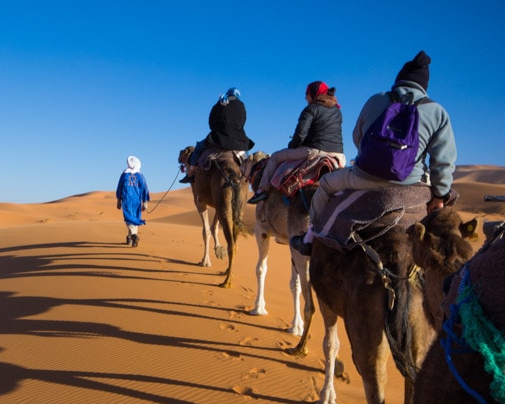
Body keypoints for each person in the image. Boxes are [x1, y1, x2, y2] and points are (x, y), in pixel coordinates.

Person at [290, 51, 456, 256]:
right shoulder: (438, 112)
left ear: (399, 80)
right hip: (411, 184)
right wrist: (439, 196)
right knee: (448, 209)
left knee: (325, 185)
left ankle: (311, 237)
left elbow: (357, 137)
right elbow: (443, 163)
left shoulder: (376, 99)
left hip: (365, 177)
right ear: (424, 86)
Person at [248, 81, 346, 204]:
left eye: (307, 93)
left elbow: (300, 135)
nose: (305, 97)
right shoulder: (337, 112)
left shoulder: (311, 109)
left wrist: (292, 146)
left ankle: (261, 191)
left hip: (315, 151)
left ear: (314, 94)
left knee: (275, 157)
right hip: (339, 156)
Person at [180, 87, 254, 183]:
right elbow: (243, 122)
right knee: (246, 159)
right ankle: (250, 177)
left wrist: (218, 129)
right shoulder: (242, 105)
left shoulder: (220, 102)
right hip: (238, 141)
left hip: (219, 138)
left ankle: (191, 173)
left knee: (198, 148)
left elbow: (211, 122)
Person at [116, 155, 151, 247]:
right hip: (137, 201)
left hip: (127, 199)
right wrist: (145, 202)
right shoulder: (140, 176)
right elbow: (145, 189)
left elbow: (119, 187)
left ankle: (134, 235)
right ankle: (130, 237)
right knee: (134, 218)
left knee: (129, 218)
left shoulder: (124, 175)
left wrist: (118, 200)